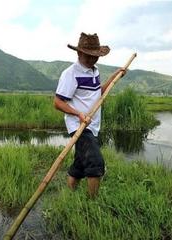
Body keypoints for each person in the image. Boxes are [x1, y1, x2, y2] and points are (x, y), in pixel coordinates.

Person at [54, 32, 126, 198]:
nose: (92, 60)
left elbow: (97, 93)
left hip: (92, 125)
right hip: (79, 126)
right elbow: (57, 102)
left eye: (96, 56)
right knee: (95, 163)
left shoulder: (94, 71)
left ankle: (69, 196)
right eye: (88, 56)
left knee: (79, 165)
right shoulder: (70, 74)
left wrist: (115, 76)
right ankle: (92, 203)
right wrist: (78, 114)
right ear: (79, 53)